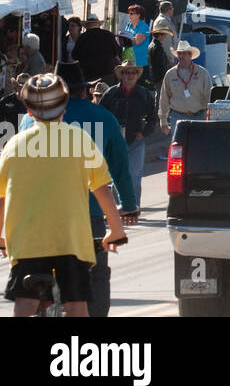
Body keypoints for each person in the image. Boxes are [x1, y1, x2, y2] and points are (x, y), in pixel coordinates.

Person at [14, 61, 139, 317]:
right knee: (95, 275)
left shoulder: (29, 123)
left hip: (37, 220)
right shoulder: (104, 118)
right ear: (84, 91)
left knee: (32, 281)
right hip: (86, 216)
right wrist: (128, 205)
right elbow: (119, 170)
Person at [97, 60, 158, 208]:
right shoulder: (111, 93)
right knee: (115, 175)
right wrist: (106, 136)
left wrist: (144, 133)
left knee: (135, 176)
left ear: (137, 75)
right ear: (121, 75)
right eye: (126, 72)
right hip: (114, 142)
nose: (130, 75)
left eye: (133, 73)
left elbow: (153, 118)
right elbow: (100, 116)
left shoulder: (144, 94)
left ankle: (133, 208)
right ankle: (116, 209)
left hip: (135, 142)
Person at [157, 40, 213, 136]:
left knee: (198, 147)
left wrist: (209, 115)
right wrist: (163, 120)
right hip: (177, 116)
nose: (181, 56)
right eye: (179, 53)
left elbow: (209, 96)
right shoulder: (170, 74)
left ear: (190, 55)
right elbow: (164, 97)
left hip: (199, 116)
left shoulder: (202, 73)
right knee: (178, 148)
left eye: (184, 53)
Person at [73, 15, 120, 84]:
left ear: (86, 25)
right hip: (107, 73)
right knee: (107, 93)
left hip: (89, 74)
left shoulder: (83, 37)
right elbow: (116, 52)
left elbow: (75, 55)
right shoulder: (108, 34)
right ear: (98, 24)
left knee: (91, 93)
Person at [147, 18, 175, 89]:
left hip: (156, 77)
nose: (165, 36)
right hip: (159, 79)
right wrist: (164, 77)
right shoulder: (157, 47)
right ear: (159, 35)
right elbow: (161, 65)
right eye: (164, 34)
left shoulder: (152, 45)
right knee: (160, 97)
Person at [124, 4, 150, 68]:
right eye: (129, 13)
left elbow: (137, 41)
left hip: (139, 62)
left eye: (132, 13)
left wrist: (124, 39)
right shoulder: (128, 25)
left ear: (138, 15)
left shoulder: (144, 27)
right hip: (126, 60)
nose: (129, 15)